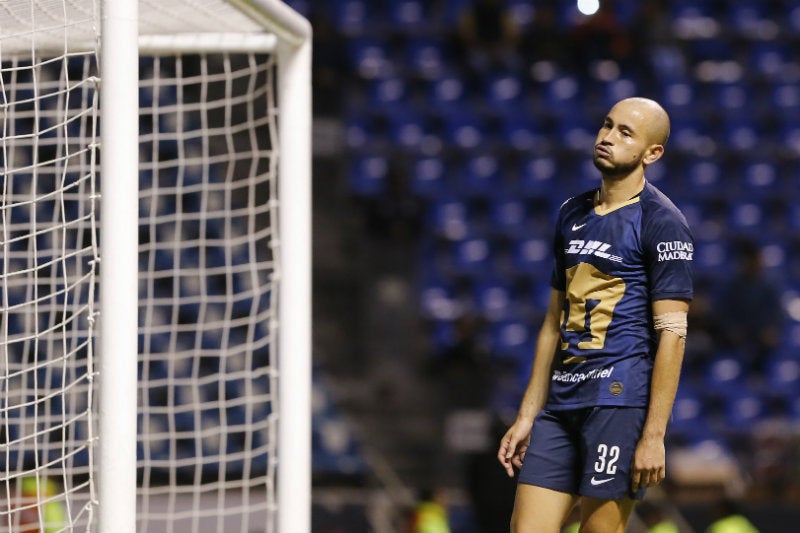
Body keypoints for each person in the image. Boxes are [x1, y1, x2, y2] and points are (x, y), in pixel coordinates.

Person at [496, 97, 694, 533]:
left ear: (652, 153)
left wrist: (654, 435)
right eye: (607, 125)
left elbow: (673, 334)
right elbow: (552, 322)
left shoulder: (662, 222)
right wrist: (529, 412)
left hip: (618, 404)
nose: (607, 137)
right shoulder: (572, 212)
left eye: (625, 132)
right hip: (562, 402)